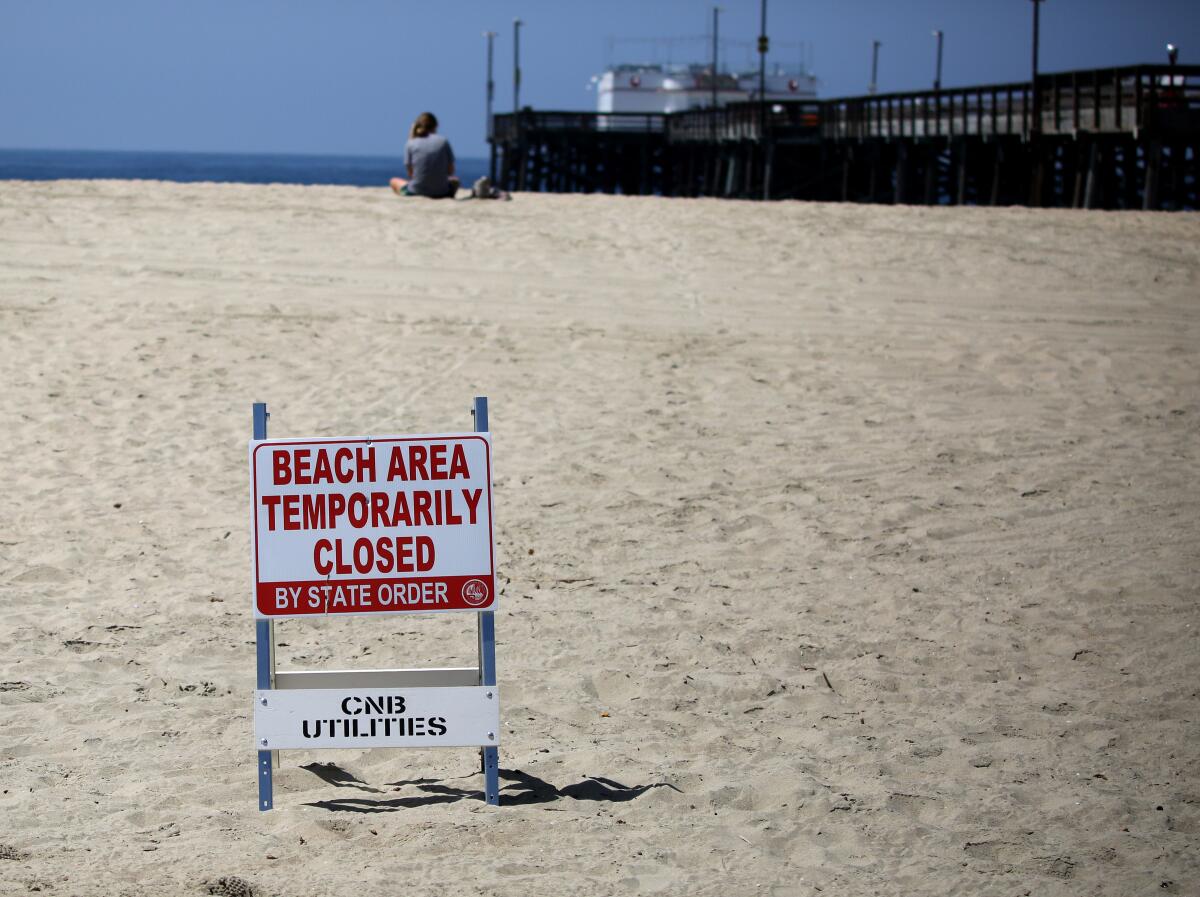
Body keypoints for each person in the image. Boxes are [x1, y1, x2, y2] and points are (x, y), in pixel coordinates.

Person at [390, 112, 459, 199]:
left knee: (393, 181)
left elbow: (411, 174)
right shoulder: (443, 141)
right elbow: (451, 171)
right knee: (455, 181)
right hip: (442, 192)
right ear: (435, 126)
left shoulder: (411, 143)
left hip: (416, 192)